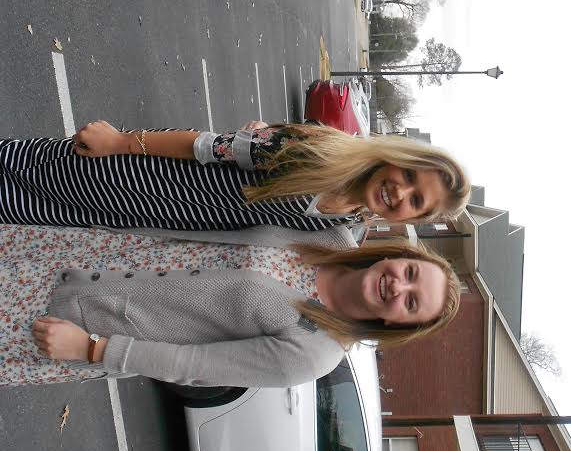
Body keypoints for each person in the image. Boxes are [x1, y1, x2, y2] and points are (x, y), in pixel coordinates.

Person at [0, 224, 460, 388]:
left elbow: (192, 366)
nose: (398, 286)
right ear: (399, 256)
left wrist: (91, 349)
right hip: (90, 249)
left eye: (411, 302)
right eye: (410, 272)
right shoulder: (331, 237)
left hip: (83, 322)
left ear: (395, 325)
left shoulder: (315, 352)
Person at [0, 121, 470, 241]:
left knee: (16, 212)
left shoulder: (345, 230)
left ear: (413, 218)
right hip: (127, 171)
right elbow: (205, 146)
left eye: (416, 201)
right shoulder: (318, 150)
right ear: (396, 156)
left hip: (142, 219)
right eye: (409, 175)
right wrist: (121, 141)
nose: (400, 192)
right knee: (15, 167)